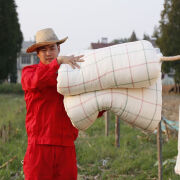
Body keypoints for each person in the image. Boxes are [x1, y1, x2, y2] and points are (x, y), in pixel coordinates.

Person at [21, 28, 85, 180]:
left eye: (52, 48)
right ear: (37, 53)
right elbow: (37, 81)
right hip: (39, 148)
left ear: (59, 49)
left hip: (66, 147)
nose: (48, 53)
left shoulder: (71, 75)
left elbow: (84, 106)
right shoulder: (28, 72)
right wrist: (58, 63)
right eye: (43, 50)